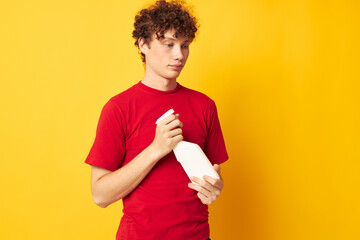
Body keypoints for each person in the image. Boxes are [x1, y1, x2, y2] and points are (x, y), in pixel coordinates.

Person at [85, 0, 228, 239]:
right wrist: (155, 149)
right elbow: (100, 195)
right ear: (143, 44)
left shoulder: (204, 106)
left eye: (184, 46)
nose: (179, 55)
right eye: (169, 44)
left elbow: (213, 176)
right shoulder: (118, 108)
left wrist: (213, 189)